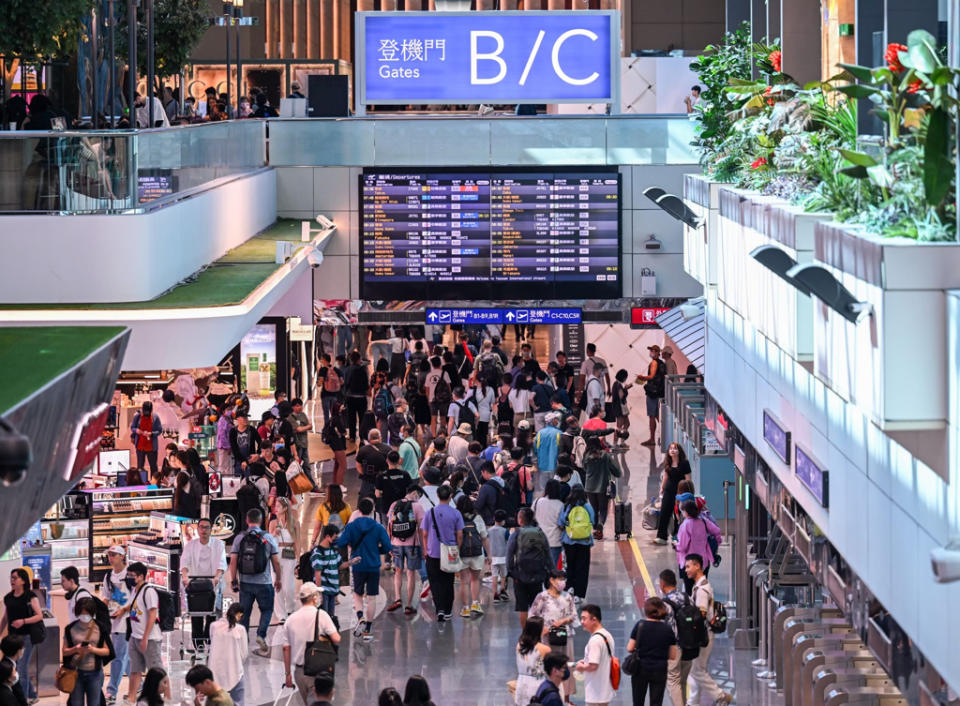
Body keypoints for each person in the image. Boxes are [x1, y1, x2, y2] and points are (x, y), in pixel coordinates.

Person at [336, 497, 391, 641]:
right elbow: (387, 546)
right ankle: (368, 630)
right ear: (372, 510)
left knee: (357, 594)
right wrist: (377, 551)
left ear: (359, 510)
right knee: (372, 597)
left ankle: (360, 618)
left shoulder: (352, 526)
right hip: (373, 565)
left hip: (357, 564)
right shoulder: (378, 527)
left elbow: (341, 542)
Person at [229, 509, 282, 657]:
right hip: (264, 582)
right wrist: (278, 579)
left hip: (245, 583)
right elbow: (276, 561)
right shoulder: (268, 538)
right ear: (261, 521)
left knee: (244, 613)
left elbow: (233, 561)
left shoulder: (240, 538)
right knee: (267, 610)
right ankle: (261, 635)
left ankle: (243, 643)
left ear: (247, 520)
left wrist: (234, 580)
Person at [684, 555, 733, 705]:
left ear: (697, 566)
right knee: (696, 670)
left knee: (697, 670)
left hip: (703, 635)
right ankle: (693, 702)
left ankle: (720, 695)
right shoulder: (701, 585)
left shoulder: (701, 589)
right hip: (704, 634)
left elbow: (701, 614)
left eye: (688, 566)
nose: (686, 570)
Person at [280, 583, 341, 703]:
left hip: (299, 673)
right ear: (314, 598)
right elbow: (336, 638)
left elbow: (286, 648)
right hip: (318, 670)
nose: (320, 597)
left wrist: (288, 674)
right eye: (318, 595)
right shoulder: (321, 615)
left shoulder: (290, 620)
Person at [528, 570, 578, 703]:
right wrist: (542, 628)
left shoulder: (568, 596)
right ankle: (550, 693)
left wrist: (563, 621)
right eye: (560, 579)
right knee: (549, 666)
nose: (563, 582)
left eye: (564, 579)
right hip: (548, 638)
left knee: (565, 665)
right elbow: (532, 615)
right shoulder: (542, 597)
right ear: (551, 580)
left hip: (565, 636)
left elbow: (574, 615)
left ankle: (566, 698)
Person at [117, 563, 163, 704]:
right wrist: (123, 610)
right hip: (135, 636)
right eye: (128, 575)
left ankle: (160, 698)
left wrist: (145, 638)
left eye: (132, 575)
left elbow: (152, 615)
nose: (129, 578)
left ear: (141, 576)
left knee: (156, 672)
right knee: (135, 670)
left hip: (150, 639)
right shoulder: (134, 590)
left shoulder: (149, 591)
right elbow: (132, 605)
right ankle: (131, 698)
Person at [180, 517, 227, 649]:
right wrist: (185, 576)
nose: (204, 530)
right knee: (196, 614)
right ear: (198, 529)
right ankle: (198, 642)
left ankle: (209, 637)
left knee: (212, 612)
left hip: (212, 584)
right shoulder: (191, 545)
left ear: (211, 529)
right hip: (195, 584)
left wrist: (216, 577)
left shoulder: (218, 545)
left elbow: (221, 563)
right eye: (201, 527)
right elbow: (184, 562)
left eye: (207, 527)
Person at [420, 485, 464, 623]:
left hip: (433, 552)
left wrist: (426, 549)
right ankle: (448, 610)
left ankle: (439, 609)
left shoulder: (430, 512)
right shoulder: (456, 513)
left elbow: (425, 533)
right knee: (448, 581)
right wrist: (457, 548)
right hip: (450, 552)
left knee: (435, 582)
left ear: (438, 496)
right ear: (450, 496)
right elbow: (460, 534)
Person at [0, 569, 42, 703]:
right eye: (11, 578)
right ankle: (33, 695)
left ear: (23, 581)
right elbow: (6, 618)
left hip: (27, 637)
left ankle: (21, 700)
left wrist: (23, 621)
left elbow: (39, 615)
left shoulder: (30, 596)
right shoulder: (8, 598)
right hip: (13, 639)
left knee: (21, 669)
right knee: (18, 668)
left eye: (15, 578)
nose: (12, 581)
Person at [625, 597, 676, 706]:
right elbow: (672, 655)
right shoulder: (667, 629)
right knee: (656, 702)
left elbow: (629, 648)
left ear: (646, 611)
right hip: (660, 670)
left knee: (638, 701)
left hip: (640, 669)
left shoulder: (640, 625)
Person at [657, 569, 698, 706]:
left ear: (662, 584)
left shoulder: (665, 604)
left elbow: (664, 629)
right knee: (682, 681)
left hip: (674, 648)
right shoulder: (688, 598)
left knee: (673, 680)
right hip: (690, 644)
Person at [506, 507, 552, 627]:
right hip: (537, 573)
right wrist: (550, 570)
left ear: (520, 520)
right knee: (536, 606)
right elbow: (548, 552)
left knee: (522, 607)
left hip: (520, 575)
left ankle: (525, 634)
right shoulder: (540, 532)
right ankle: (536, 633)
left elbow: (509, 554)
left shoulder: (516, 533)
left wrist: (511, 570)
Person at [62, 597, 112, 706]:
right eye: (82, 613)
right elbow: (64, 652)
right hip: (75, 673)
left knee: (94, 702)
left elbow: (107, 651)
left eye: (87, 613)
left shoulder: (100, 627)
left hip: (94, 673)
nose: (84, 616)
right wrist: (76, 649)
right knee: (76, 702)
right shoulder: (70, 628)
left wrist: (93, 649)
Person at [386, 485, 426, 615]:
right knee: (411, 574)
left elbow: (390, 526)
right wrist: (423, 548)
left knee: (398, 572)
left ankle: (398, 599)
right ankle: (409, 605)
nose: (418, 498)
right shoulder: (417, 507)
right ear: (414, 492)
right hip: (413, 545)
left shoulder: (394, 504)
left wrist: (389, 543)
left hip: (396, 543)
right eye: (418, 495)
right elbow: (421, 530)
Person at [100, 546, 131, 705]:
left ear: (122, 556)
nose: (110, 558)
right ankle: (138, 685)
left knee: (118, 657)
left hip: (127, 622)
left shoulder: (130, 575)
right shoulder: (108, 577)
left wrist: (123, 611)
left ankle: (111, 691)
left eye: (113, 555)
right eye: (109, 555)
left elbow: (138, 598)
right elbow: (105, 598)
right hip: (113, 621)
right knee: (124, 656)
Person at [557, 487, 594, 602]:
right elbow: (592, 521)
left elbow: (561, 522)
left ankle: (570, 588)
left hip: (569, 541)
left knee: (570, 565)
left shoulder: (567, 506)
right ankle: (579, 594)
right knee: (582, 568)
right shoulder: (587, 506)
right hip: (584, 541)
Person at [574, 604, 616, 706]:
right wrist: (586, 661)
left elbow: (593, 665)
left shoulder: (595, 640)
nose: (582, 622)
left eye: (584, 619)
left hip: (595, 694)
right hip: (604, 691)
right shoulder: (607, 635)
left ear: (594, 619)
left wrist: (581, 667)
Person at [455, 496, 490, 618]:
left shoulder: (456, 517)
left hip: (462, 553)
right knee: (475, 580)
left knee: (464, 582)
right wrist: (489, 554)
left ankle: (465, 608)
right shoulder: (477, 518)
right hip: (476, 553)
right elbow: (484, 538)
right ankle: (475, 604)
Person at [676, 501, 722, 594]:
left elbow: (683, 546)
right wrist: (718, 542)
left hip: (689, 563)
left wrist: (676, 546)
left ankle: (692, 607)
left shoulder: (685, 525)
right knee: (702, 588)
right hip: (703, 562)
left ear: (686, 512)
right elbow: (717, 531)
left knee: (689, 590)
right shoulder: (704, 521)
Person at [581, 436, 621, 540]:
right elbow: (616, 470)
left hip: (589, 487)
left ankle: (595, 530)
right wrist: (616, 473)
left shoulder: (586, 456)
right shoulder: (605, 455)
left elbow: (585, 469)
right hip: (603, 487)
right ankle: (600, 525)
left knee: (594, 509)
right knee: (603, 509)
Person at [652, 443, 692, 546]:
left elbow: (688, 478)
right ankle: (661, 536)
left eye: (675, 448)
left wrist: (688, 492)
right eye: (671, 449)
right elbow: (665, 476)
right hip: (669, 491)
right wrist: (662, 488)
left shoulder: (684, 463)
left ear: (679, 451)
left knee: (678, 514)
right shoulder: (668, 463)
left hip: (680, 491)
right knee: (664, 512)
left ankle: (677, 536)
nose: (672, 450)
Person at [208, 604, 247, 706]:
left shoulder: (213, 626)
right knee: (238, 702)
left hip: (215, 672)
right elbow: (244, 654)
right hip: (235, 672)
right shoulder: (240, 629)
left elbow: (212, 644)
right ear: (239, 615)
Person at [269, 498, 300, 621]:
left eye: (278, 506)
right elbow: (267, 540)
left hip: (289, 554)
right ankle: (281, 614)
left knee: (289, 586)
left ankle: (290, 608)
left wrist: (299, 560)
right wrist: (273, 534)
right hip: (276, 555)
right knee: (276, 584)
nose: (276, 508)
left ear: (285, 508)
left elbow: (298, 542)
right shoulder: (273, 522)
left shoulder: (295, 523)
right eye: (275, 506)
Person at [514, 616, 551, 705]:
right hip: (537, 684)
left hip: (521, 684)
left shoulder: (519, 645)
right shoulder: (545, 649)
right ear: (539, 630)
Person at [635, 344, 666, 446]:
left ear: (658, 353)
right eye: (651, 350)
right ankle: (664, 437)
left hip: (652, 393)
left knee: (652, 416)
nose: (651, 352)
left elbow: (651, 376)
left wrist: (642, 377)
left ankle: (652, 439)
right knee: (659, 416)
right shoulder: (662, 363)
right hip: (660, 392)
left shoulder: (654, 362)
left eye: (653, 351)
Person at [532, 480, 565, 567]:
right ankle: (550, 580)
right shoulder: (560, 505)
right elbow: (561, 525)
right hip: (555, 540)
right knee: (552, 567)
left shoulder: (538, 501)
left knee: (540, 566)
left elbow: (532, 517)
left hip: (538, 539)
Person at [356, 429, 391, 502]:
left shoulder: (363, 450)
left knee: (365, 502)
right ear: (380, 437)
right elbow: (391, 464)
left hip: (368, 481)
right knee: (382, 501)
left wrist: (364, 474)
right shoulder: (388, 449)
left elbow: (358, 465)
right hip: (383, 481)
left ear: (369, 438)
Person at [131, 401, 163, 477]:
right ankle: (141, 484)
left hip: (151, 447)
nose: (146, 414)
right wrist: (136, 430)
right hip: (140, 446)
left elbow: (159, 430)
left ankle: (154, 484)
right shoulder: (137, 416)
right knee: (140, 467)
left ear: (151, 410)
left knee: (153, 467)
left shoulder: (155, 417)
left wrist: (152, 434)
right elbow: (132, 427)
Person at [323, 400, 348, 486]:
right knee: (343, 465)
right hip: (338, 444)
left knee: (337, 464)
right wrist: (344, 433)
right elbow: (342, 432)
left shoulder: (332, 419)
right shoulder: (337, 419)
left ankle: (335, 484)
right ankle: (340, 485)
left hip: (334, 444)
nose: (343, 407)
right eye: (341, 406)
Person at [229, 412, 262, 478]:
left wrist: (258, 454)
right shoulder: (233, 431)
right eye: (244, 418)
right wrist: (243, 461)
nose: (246, 419)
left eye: (246, 417)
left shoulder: (252, 430)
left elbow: (260, 442)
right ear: (237, 419)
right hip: (239, 461)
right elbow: (234, 449)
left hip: (251, 460)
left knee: (250, 480)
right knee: (238, 481)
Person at [488, 510, 510, 603]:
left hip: (493, 556)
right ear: (503, 521)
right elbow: (509, 543)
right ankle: (502, 590)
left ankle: (495, 595)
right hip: (503, 556)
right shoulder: (505, 531)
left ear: (494, 518)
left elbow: (486, 543)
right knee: (504, 575)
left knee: (494, 576)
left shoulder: (489, 530)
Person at [288, 398, 312, 471]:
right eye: (297, 406)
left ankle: (310, 482)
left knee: (307, 466)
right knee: (297, 466)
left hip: (304, 444)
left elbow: (310, 426)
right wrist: (305, 427)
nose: (300, 407)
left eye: (301, 405)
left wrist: (303, 427)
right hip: (297, 445)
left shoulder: (303, 415)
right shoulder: (291, 417)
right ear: (293, 407)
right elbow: (299, 429)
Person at [610, 369, 632, 446]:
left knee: (627, 423)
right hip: (619, 409)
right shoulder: (618, 385)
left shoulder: (616, 384)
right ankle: (615, 444)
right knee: (619, 427)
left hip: (621, 408)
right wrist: (626, 389)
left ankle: (622, 441)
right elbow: (621, 396)